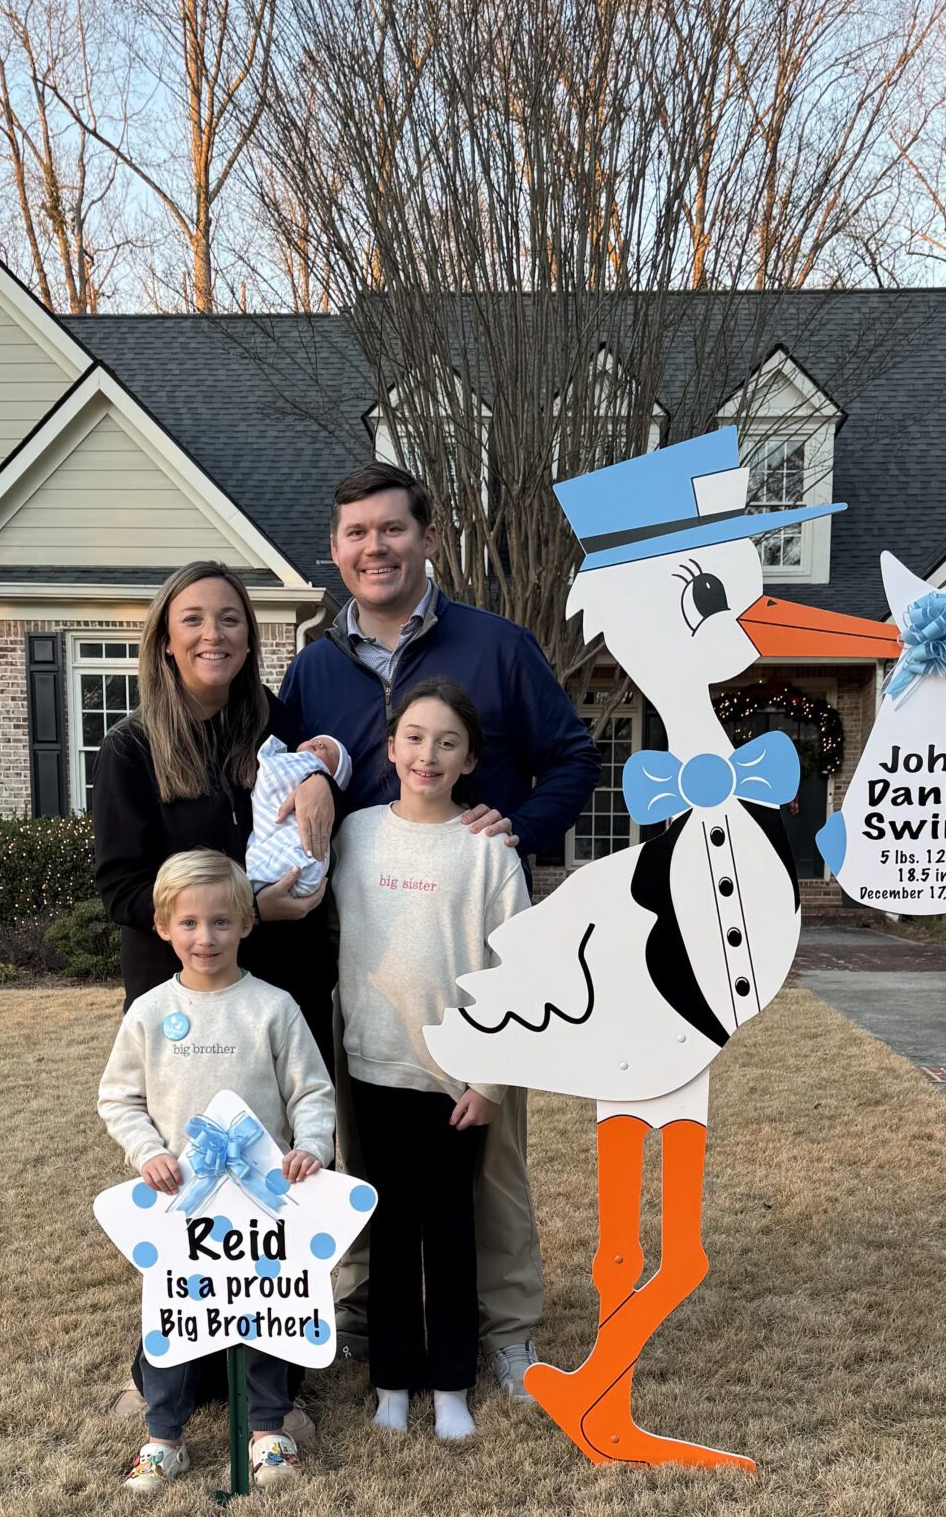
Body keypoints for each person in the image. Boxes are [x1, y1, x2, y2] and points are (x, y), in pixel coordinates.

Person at [279, 463, 600, 1395]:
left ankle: (505, 1328)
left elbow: (571, 757)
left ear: (427, 538)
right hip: (367, 961)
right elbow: (282, 771)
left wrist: (522, 828)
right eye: (355, 535)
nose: (373, 548)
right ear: (335, 551)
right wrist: (303, 774)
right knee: (366, 1143)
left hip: (475, 958)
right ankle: (375, 1311)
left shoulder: (495, 647)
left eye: (391, 530)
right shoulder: (313, 665)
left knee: (487, 1150)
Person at [98, 850, 335, 1487]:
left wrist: (310, 1144)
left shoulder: (274, 1007)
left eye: (222, 922)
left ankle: (268, 1430)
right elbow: (119, 1098)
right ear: (163, 928)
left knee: (261, 1306)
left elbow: (311, 1091)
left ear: (247, 925)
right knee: (176, 1310)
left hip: (261, 1202)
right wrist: (149, 1154)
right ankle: (163, 1436)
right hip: (181, 1201)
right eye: (191, 923)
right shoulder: (148, 1014)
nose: (207, 937)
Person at [332, 679, 528, 1442]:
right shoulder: (354, 836)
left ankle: (450, 1382)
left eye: (447, 742)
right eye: (414, 737)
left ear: (469, 759)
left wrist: (491, 1080)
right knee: (388, 1228)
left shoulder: (488, 853)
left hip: (458, 1081)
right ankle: (391, 1378)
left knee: (450, 1230)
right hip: (373, 1068)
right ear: (389, 748)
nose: (428, 754)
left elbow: (516, 973)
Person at [93, 560, 346, 1059]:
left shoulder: (273, 720)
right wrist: (246, 910)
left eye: (230, 619)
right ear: (165, 639)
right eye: (193, 619)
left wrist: (323, 782)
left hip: (290, 993)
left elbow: (318, 781)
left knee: (300, 1135)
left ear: (249, 639)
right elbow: (123, 893)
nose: (214, 633)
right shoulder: (129, 750)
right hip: (188, 1007)